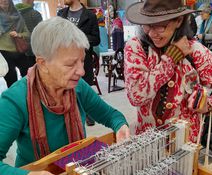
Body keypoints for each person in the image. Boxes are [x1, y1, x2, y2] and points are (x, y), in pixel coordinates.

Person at [0, 17, 129, 175]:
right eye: (70, 64)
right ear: (42, 64)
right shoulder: (15, 100)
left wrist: (121, 126)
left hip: (77, 166)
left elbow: (110, 115)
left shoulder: (78, 87)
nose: (81, 71)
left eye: (81, 61)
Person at [124, 0, 212, 143]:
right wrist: (170, 60)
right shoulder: (137, 47)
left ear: (178, 21)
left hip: (185, 142)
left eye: (160, 26)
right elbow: (136, 96)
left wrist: (209, 104)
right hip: (147, 142)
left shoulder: (194, 51)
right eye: (148, 25)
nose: (152, 33)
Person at [58, 0, 100, 126]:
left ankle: (88, 113)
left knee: (85, 87)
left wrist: (78, 37)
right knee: (65, 87)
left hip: (83, 59)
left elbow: (96, 39)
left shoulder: (90, 15)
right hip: (64, 60)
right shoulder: (61, 14)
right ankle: (70, 116)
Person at [0, 0, 30, 87]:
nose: (4, 1)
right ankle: (15, 99)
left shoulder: (18, 15)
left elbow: (27, 33)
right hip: (5, 53)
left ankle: (30, 97)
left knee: (28, 79)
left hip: (20, 51)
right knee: (12, 83)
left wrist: (19, 35)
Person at [15, 0, 43, 68]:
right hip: (35, 50)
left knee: (26, 73)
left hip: (20, 49)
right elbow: (41, 33)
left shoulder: (14, 15)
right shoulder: (35, 13)